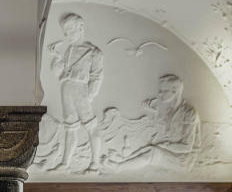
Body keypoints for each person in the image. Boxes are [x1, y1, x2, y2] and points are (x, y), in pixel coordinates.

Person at [47, 12, 104, 172]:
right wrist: (56, 57)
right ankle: (65, 163)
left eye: (70, 31)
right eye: (65, 32)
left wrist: (90, 95)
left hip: (81, 90)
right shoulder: (69, 50)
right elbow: (59, 72)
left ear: (81, 27)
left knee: (90, 125)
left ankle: (95, 162)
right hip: (66, 89)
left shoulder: (93, 52)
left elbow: (96, 75)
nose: (67, 35)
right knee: (70, 127)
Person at [108, 73, 200, 171]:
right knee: (148, 147)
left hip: (183, 160)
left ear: (174, 91)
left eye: (163, 91)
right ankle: (124, 161)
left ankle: (118, 168)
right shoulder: (171, 111)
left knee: (152, 152)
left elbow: (187, 147)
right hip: (172, 152)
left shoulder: (189, 112)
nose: (159, 94)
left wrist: (165, 145)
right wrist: (153, 114)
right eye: (159, 91)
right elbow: (166, 133)